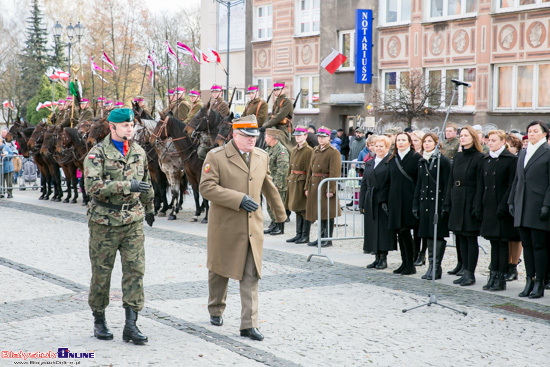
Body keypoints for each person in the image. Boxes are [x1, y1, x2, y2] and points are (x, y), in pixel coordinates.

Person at [199, 115, 286, 342]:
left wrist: (280, 215)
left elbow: (268, 186)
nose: (252, 140)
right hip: (225, 226)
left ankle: (249, 324)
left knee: (251, 275)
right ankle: (216, 309)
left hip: (251, 228)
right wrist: (238, 199)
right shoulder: (215, 156)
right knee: (219, 271)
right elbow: (207, 188)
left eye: (254, 136)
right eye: (247, 136)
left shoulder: (261, 156)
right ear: (235, 135)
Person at [83, 108, 155, 344]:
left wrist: (150, 207)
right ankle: (99, 320)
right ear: (112, 127)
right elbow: (92, 187)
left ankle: (131, 325)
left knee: (135, 271)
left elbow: (145, 183)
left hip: (132, 221)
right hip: (104, 222)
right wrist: (126, 186)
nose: (130, 129)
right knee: (102, 273)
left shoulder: (138, 151)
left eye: (131, 125)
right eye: (125, 126)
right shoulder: (97, 154)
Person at [508, 121, 550, 299]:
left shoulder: (547, 153)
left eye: (535, 131)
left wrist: (547, 205)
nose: (531, 134)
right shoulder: (524, 152)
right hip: (522, 205)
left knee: (538, 245)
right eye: (529, 131)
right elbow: (517, 180)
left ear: (544, 134)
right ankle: (529, 280)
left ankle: (540, 282)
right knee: (526, 245)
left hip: (539, 205)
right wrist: (511, 201)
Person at [443, 125, 484, 286]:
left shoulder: (479, 157)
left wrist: (477, 206)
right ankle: (464, 269)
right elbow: (451, 181)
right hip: (457, 198)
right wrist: (447, 202)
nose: (463, 138)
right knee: (460, 236)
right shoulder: (458, 157)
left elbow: (480, 184)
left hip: (470, 198)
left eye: (466, 135)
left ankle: (470, 273)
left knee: (470, 237)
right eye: (462, 135)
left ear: (473, 138)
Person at [480, 130, 518, 291]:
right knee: (493, 242)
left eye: (494, 141)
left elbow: (511, 185)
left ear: (503, 142)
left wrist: (503, 206)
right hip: (489, 206)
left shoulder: (510, 160)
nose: (490, 143)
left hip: (501, 207)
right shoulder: (487, 159)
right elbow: (482, 184)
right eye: (489, 141)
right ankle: (493, 274)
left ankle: (501, 277)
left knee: (502, 243)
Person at [380, 132, 421, 275]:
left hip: (410, 200)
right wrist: (383, 199)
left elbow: (419, 182)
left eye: (403, 140)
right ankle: (404, 263)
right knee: (400, 232)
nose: (400, 143)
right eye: (398, 140)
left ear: (410, 142)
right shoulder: (393, 159)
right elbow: (387, 181)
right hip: (395, 201)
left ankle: (411, 264)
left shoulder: (416, 158)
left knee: (405, 231)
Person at [413, 133, 451, 280]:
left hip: (438, 202)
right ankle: (430, 265)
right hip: (425, 202)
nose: (426, 144)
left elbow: (447, 183)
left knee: (438, 233)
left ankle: (436, 267)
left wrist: (445, 204)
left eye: (430, 141)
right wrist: (416, 203)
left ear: (436, 143)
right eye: (425, 142)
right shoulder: (422, 161)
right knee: (428, 233)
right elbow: (419, 183)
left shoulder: (443, 161)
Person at [360, 135, 394, 269]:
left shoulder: (391, 161)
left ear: (387, 148)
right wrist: (361, 203)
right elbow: (364, 183)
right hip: (370, 198)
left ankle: (383, 257)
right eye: (376, 146)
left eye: (381, 146)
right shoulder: (370, 162)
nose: (378, 148)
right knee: (372, 229)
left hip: (383, 199)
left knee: (382, 230)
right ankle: (376, 257)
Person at [304, 126, 342, 247]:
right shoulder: (315, 150)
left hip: (325, 183)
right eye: (319, 137)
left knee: (327, 212)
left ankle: (327, 239)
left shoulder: (333, 152)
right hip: (315, 184)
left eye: (323, 137)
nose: (321, 139)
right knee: (319, 212)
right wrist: (307, 187)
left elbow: (335, 172)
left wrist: (331, 189)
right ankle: (320, 237)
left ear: (329, 138)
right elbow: (310, 170)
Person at [285, 126, 314, 243]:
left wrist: (307, 186)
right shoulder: (294, 149)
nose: (297, 137)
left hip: (302, 181)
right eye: (296, 135)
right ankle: (298, 234)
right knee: (297, 208)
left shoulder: (309, 151)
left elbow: (309, 170)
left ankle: (305, 235)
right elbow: (290, 167)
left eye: (300, 135)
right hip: (293, 180)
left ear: (305, 136)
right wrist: (288, 179)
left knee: (304, 209)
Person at [505, 133, 524, 281]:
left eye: (511, 146)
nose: (509, 148)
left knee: (516, 237)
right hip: (506, 200)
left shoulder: (518, 159)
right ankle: (507, 263)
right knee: (507, 236)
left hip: (518, 200)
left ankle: (514, 265)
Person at [263, 128, 290, 236]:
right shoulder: (269, 149)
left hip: (278, 183)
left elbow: (282, 169)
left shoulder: (281, 150)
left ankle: (280, 227)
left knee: (278, 205)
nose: (264, 138)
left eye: (266, 136)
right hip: (270, 182)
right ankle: (274, 224)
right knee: (270, 205)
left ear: (271, 138)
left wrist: (277, 184)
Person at [263, 81, 293, 151]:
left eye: (278, 90)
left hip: (283, 127)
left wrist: (265, 125)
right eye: (274, 90)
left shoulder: (286, 101)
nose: (275, 92)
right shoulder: (277, 101)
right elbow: (272, 115)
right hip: (275, 125)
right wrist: (266, 124)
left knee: (279, 139)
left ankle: (290, 155)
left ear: (283, 89)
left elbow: (279, 116)